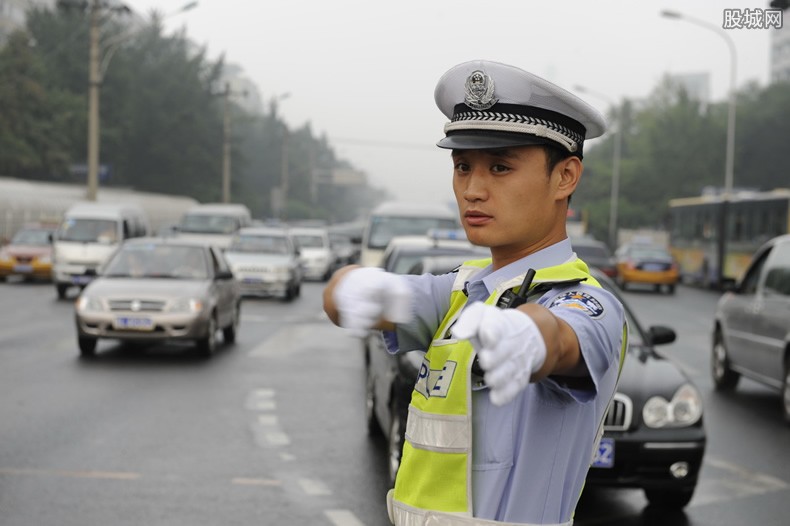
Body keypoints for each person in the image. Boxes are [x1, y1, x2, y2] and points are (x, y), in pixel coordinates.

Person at [323, 59, 626, 526]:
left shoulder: (588, 300)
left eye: (501, 167)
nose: (472, 190)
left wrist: (529, 335)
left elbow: (562, 337)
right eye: (463, 166)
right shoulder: (465, 291)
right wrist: (350, 288)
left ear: (565, 177)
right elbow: (350, 299)